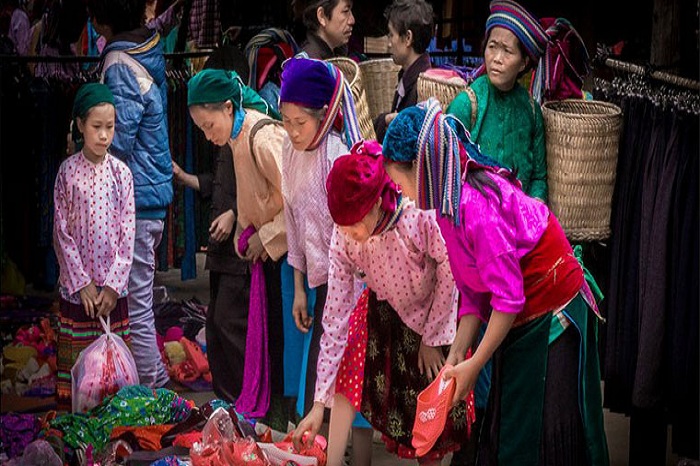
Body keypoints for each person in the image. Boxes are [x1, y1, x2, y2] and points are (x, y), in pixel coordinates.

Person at [382, 98, 609, 465]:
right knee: (514, 428)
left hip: (554, 314)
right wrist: (459, 350)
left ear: (421, 169)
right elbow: (474, 293)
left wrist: (475, 365)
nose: (400, 193)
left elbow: (507, 299)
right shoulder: (445, 206)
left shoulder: (475, 209)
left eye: (399, 182)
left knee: (544, 428)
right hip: (519, 317)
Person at [293, 140, 466, 465]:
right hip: (387, 310)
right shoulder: (344, 237)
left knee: (431, 416)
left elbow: (450, 267)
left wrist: (433, 337)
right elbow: (334, 320)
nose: (350, 233)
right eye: (343, 227)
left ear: (377, 204)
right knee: (352, 363)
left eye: (357, 223)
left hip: (435, 313)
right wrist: (319, 405)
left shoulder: (416, 214)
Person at [278, 56, 371, 465]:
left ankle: (355, 456)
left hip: (351, 281)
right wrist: (299, 286)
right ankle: (329, 452)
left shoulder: (337, 157)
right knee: (321, 374)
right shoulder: (288, 149)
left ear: (325, 115)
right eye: (286, 120)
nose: (292, 131)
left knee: (348, 378)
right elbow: (291, 219)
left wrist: (331, 290)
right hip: (317, 279)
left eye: (300, 122)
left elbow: (347, 240)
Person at [186, 68, 287, 419]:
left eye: (208, 125)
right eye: (200, 129)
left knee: (276, 340)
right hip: (263, 250)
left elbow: (298, 203)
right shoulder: (235, 137)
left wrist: (264, 237)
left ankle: (272, 415)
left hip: (285, 255)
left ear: (228, 108)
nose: (207, 135)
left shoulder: (262, 137)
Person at [87, 0, 174, 388]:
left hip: (135, 199)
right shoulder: (148, 48)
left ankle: (155, 391)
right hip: (149, 196)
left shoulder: (120, 62)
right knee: (136, 299)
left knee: (136, 303)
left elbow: (115, 140)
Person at [53, 83, 135, 412]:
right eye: (96, 127)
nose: (104, 136)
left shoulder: (121, 174)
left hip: (111, 297)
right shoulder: (67, 173)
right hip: (80, 295)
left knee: (112, 379)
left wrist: (113, 287)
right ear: (80, 125)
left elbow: (128, 232)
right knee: (79, 384)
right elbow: (61, 231)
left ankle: (114, 439)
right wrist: (83, 283)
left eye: (110, 128)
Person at [446, 0, 548, 201]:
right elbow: (446, 171)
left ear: (523, 63)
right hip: (473, 223)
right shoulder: (467, 104)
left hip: (520, 222)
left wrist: (532, 207)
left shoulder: (532, 111)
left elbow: (539, 177)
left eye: (507, 51)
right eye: (492, 47)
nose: (497, 58)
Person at [372, 0, 433, 142]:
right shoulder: (407, 77)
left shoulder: (423, 89)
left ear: (407, 38)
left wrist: (384, 121)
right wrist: (386, 120)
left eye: (391, 35)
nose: (388, 44)